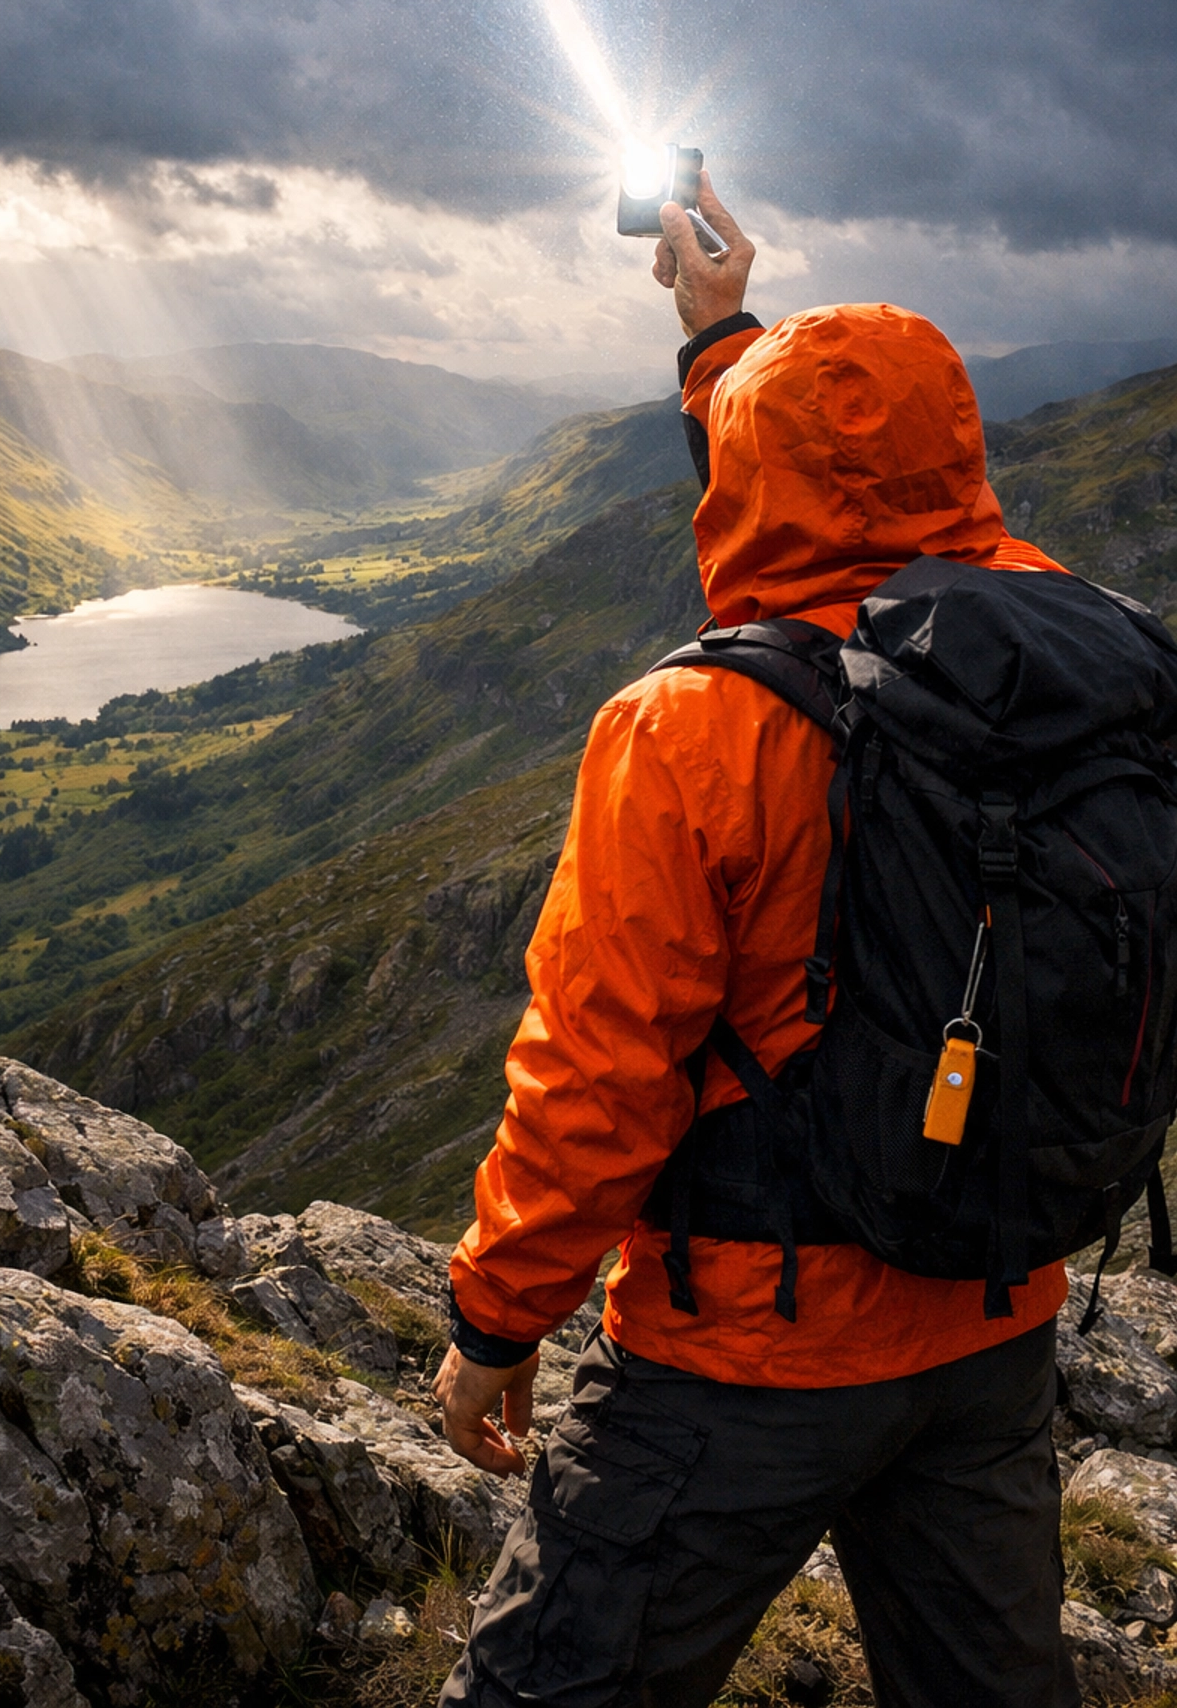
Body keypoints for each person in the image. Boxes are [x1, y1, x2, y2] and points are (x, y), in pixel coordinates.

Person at [433, 171, 1077, 1708]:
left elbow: (600, 1075)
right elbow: (862, 521)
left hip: (742, 1349)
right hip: (993, 1319)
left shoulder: (689, 731)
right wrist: (720, 337)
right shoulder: (1073, 656)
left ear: (749, 474)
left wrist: (497, 1317)